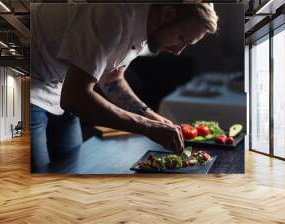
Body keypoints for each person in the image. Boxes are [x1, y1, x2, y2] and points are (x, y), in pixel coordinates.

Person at [30, 3, 218, 171]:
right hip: (33, 82)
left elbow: (112, 79)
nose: (178, 51)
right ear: (168, 13)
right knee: (38, 181)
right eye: (181, 38)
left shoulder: (147, 26)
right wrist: (147, 127)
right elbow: (75, 97)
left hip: (63, 83)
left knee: (70, 170)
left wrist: (152, 117)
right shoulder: (111, 13)